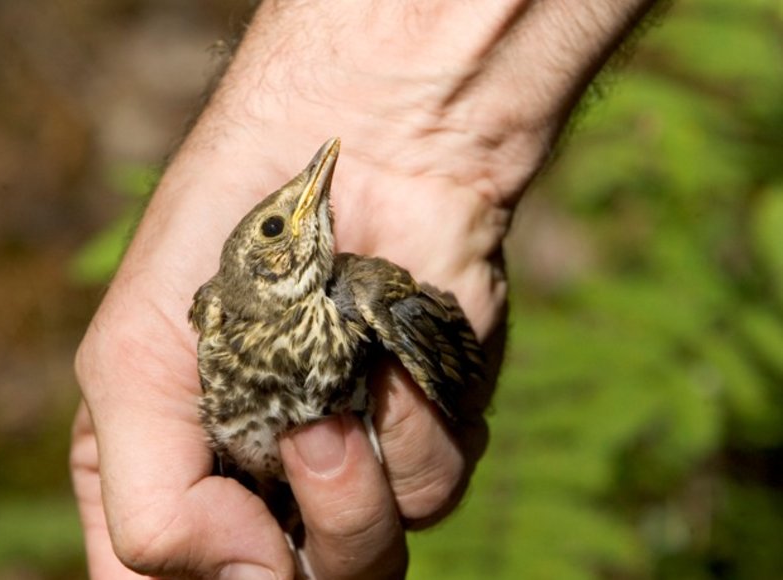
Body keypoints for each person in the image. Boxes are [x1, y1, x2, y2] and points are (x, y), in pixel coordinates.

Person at [72, 1, 660, 578]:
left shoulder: (363, 296)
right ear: (256, 271)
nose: (307, 197)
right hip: (259, 480)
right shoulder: (218, 314)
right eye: (276, 228)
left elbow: (456, 366)